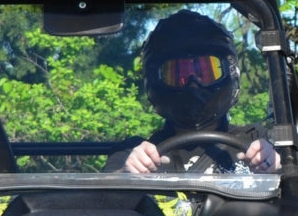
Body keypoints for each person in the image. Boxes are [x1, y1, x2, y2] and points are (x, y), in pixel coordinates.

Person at [105, 10, 281, 174]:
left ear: (229, 72)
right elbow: (100, 199)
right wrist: (126, 174)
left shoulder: (256, 142)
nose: (193, 85)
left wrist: (276, 166)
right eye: (177, 74)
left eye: (205, 72)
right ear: (155, 80)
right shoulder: (136, 154)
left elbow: (297, 195)